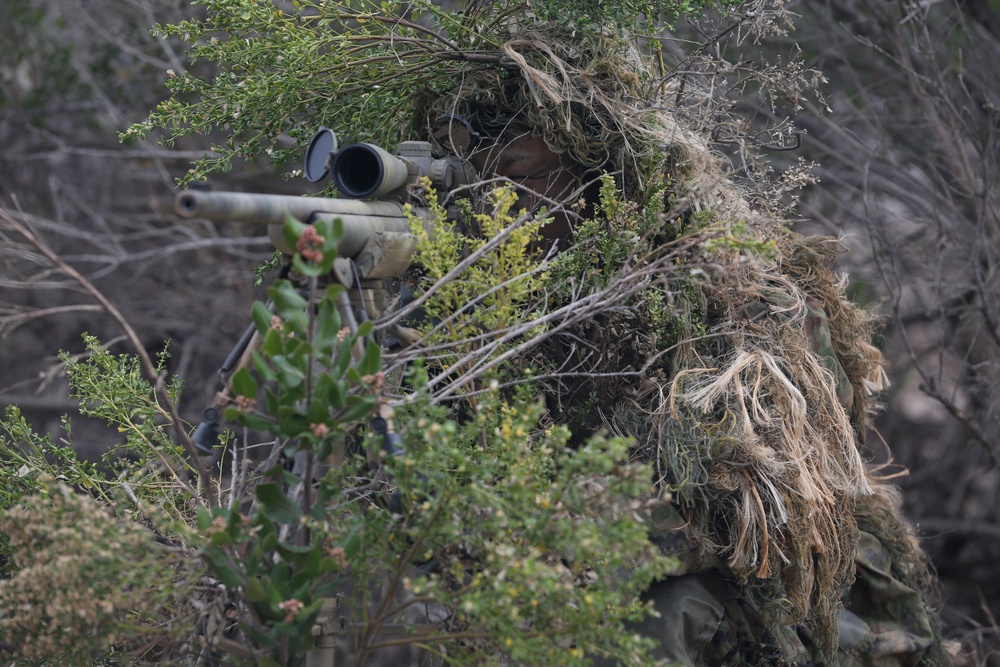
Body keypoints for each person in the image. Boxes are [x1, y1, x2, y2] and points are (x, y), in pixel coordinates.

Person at [400, 22, 952, 667]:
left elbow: (747, 511)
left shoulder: (740, 301)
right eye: (478, 183)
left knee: (661, 619)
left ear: (598, 175)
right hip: (573, 577)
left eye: (520, 175)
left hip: (784, 603)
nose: (498, 203)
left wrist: (558, 556)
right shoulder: (491, 310)